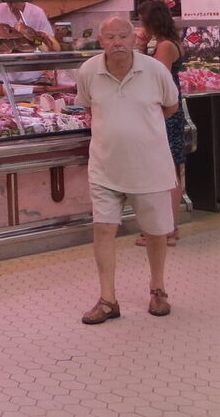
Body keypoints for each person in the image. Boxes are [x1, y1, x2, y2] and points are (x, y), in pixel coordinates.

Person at [75, 16, 179, 325]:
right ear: (101, 40)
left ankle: (158, 289)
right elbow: (88, 106)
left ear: (135, 39)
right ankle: (108, 300)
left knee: (156, 231)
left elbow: (171, 105)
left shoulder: (155, 70)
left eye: (124, 36)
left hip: (150, 165)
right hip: (105, 166)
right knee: (103, 228)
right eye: (110, 37)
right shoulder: (88, 71)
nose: (117, 42)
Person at [135, 0, 186, 247]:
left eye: (142, 20)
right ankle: (167, 228)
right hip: (172, 109)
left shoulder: (165, 46)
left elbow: (158, 78)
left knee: (167, 171)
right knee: (171, 169)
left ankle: (167, 230)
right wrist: (144, 48)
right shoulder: (171, 42)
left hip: (166, 111)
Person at [0, 0, 59, 83]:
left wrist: (32, 39)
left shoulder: (37, 12)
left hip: (31, 76)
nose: (12, 4)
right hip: (1, 76)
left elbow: (47, 41)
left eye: (16, 1)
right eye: (9, 1)